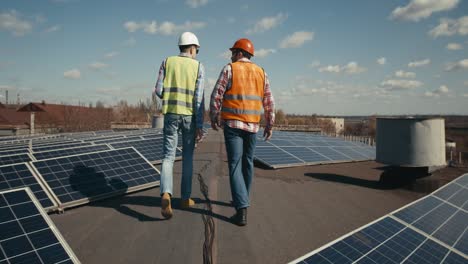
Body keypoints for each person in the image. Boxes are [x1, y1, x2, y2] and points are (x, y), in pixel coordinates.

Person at [209, 38, 275, 226]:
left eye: (233, 52)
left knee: (235, 165)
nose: (231, 56)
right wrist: (269, 125)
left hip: (234, 126)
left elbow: (216, 95)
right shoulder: (262, 72)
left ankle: (241, 208)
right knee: (247, 162)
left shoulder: (230, 69)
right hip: (253, 127)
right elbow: (269, 102)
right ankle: (242, 198)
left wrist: (214, 116)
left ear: (239, 53)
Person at [154, 31, 205, 219]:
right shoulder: (199, 66)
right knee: (188, 157)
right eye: (197, 50)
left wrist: (170, 96)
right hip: (190, 117)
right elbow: (199, 99)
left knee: (168, 156)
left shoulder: (167, 62)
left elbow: (159, 91)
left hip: (170, 114)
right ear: (192, 48)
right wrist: (200, 124)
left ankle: (166, 193)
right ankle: (185, 198)